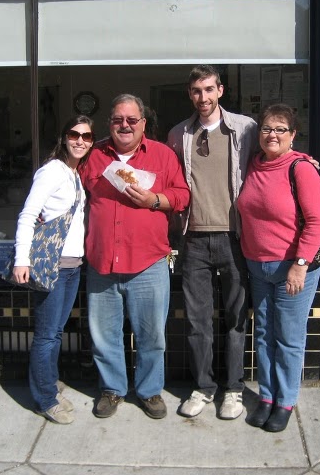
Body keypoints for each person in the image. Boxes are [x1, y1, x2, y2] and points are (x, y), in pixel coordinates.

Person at [80, 94, 190, 420]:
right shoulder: (93, 154)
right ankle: (112, 389)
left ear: (143, 123)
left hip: (148, 263)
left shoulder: (163, 154)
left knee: (152, 336)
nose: (124, 125)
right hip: (102, 262)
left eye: (131, 120)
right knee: (104, 336)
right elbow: (68, 182)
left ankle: (149, 391)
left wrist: (154, 200)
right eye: (118, 120)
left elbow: (182, 196)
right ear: (109, 123)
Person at [167, 65, 258, 420]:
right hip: (194, 239)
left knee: (236, 319)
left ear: (220, 90)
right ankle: (203, 387)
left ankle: (233, 390)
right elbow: (171, 181)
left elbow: (269, 161)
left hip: (234, 238)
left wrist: (300, 159)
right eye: (196, 91)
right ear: (189, 94)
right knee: (198, 321)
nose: (202, 97)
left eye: (208, 89)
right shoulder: (179, 134)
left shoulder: (246, 128)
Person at [237, 103, 320, 432]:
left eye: (280, 129)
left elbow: (319, 221)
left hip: (292, 268)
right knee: (264, 335)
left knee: (288, 339)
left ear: (293, 135)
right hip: (257, 267)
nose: (272, 135)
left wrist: (300, 265)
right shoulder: (253, 164)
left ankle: (286, 400)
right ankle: (267, 396)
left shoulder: (301, 168)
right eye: (266, 128)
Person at [11, 115, 94, 424]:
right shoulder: (52, 171)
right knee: (47, 335)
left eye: (87, 136)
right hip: (53, 266)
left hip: (73, 265)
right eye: (74, 134)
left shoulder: (74, 173)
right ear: (64, 137)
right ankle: (45, 399)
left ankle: (49, 385)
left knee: (56, 332)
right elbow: (28, 214)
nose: (80, 140)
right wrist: (22, 259)